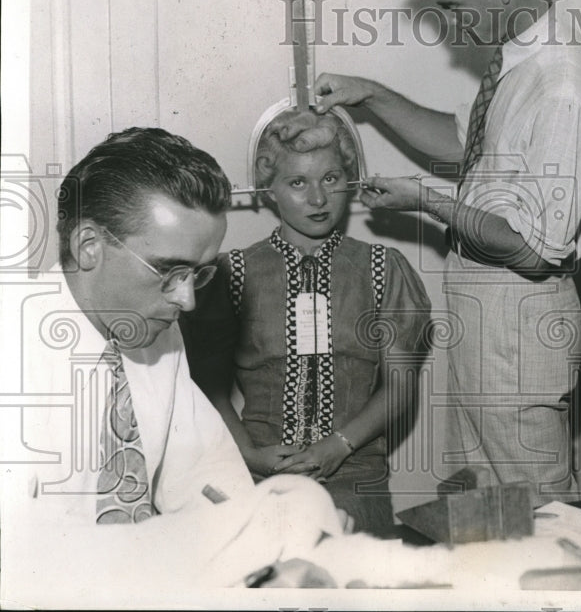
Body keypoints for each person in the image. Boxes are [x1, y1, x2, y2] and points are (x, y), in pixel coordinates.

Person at [313, 0, 581, 503]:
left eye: (451, 6)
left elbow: (531, 251)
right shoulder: (517, 61)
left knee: (537, 512)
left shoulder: (563, 90)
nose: (448, 24)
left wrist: (426, 199)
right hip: (486, 315)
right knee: (481, 504)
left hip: (521, 320)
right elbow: (466, 148)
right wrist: (370, 95)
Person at [4, 127, 347, 595]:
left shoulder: (154, 335)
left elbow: (202, 474)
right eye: (169, 271)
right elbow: (25, 561)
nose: (186, 300)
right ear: (89, 247)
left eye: (198, 273)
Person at [182, 108, 431, 533]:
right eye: (297, 182)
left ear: (349, 181)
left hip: (355, 474)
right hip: (260, 475)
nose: (317, 199)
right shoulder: (229, 274)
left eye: (331, 179)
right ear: (268, 189)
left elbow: (401, 387)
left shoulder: (383, 268)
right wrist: (250, 454)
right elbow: (208, 389)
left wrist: (339, 445)